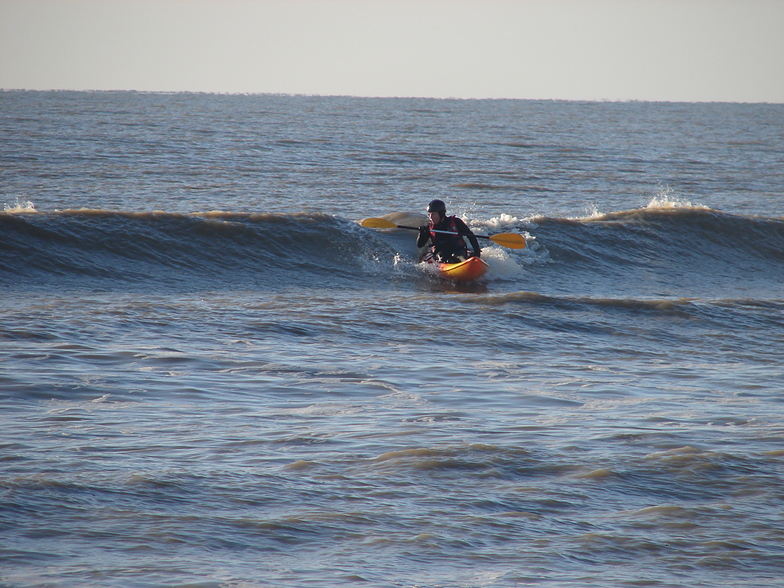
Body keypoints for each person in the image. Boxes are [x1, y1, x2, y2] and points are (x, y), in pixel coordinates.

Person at [416, 199, 481, 263]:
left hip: (457, 249)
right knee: (442, 258)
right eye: (429, 214)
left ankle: (461, 263)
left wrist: (477, 253)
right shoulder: (429, 227)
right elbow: (420, 245)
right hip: (440, 251)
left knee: (460, 257)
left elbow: (471, 236)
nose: (431, 217)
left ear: (441, 214)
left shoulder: (456, 222)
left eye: (433, 214)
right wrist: (422, 234)